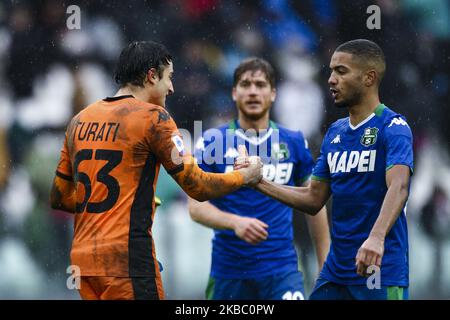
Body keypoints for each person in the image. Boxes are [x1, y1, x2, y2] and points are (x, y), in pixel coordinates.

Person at [49, 41, 263, 300]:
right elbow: (197, 185)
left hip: (83, 263)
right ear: (152, 76)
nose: (172, 88)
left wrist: (122, 203)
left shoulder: (79, 120)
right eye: (169, 78)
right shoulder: (154, 118)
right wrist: (244, 177)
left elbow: (60, 197)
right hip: (126, 260)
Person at [250, 39, 413, 300]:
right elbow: (314, 198)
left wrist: (376, 238)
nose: (331, 79)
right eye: (331, 71)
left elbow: (400, 186)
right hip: (336, 271)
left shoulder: (393, 127)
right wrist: (259, 182)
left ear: (369, 78)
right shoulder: (335, 132)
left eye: (341, 71)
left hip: (379, 270)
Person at [188, 57, 330, 300]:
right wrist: (235, 222)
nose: (253, 91)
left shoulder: (294, 141)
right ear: (234, 93)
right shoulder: (212, 141)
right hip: (229, 273)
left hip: (281, 271)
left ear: (273, 93)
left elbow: (314, 204)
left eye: (260, 85)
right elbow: (196, 207)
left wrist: (325, 269)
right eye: (245, 84)